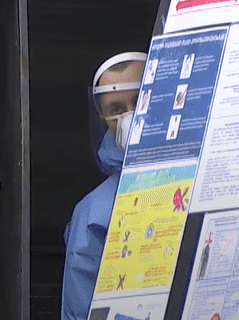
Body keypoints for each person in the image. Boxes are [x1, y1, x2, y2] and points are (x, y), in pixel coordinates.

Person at [61, 52, 147, 320]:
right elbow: (80, 308)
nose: (130, 117)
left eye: (140, 100)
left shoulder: (208, 181)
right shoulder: (93, 212)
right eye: (116, 109)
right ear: (101, 117)